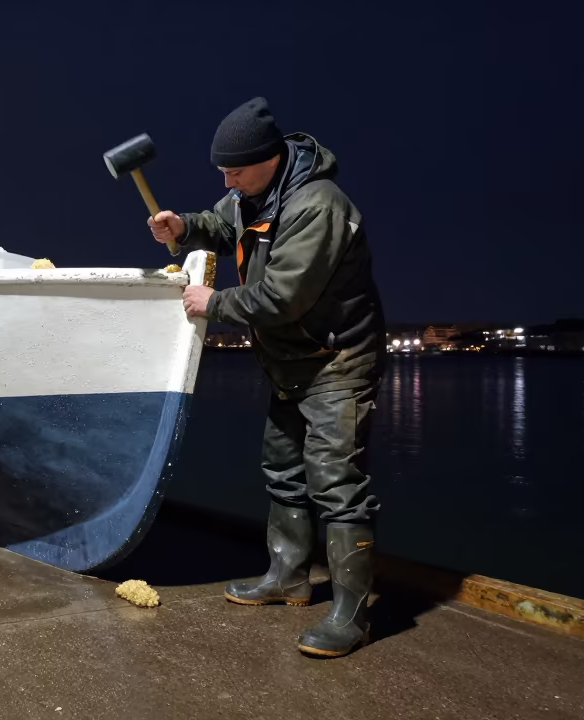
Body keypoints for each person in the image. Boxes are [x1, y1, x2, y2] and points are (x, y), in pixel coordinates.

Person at [149, 97, 386, 658]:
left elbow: (283, 296)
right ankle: (288, 578)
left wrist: (213, 301)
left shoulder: (318, 205)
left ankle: (351, 615)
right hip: (288, 365)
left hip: (336, 362)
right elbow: (217, 223)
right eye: (222, 173)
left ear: (271, 158)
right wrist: (183, 227)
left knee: (336, 485)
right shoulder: (249, 195)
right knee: (282, 470)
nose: (227, 181)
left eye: (234, 171)